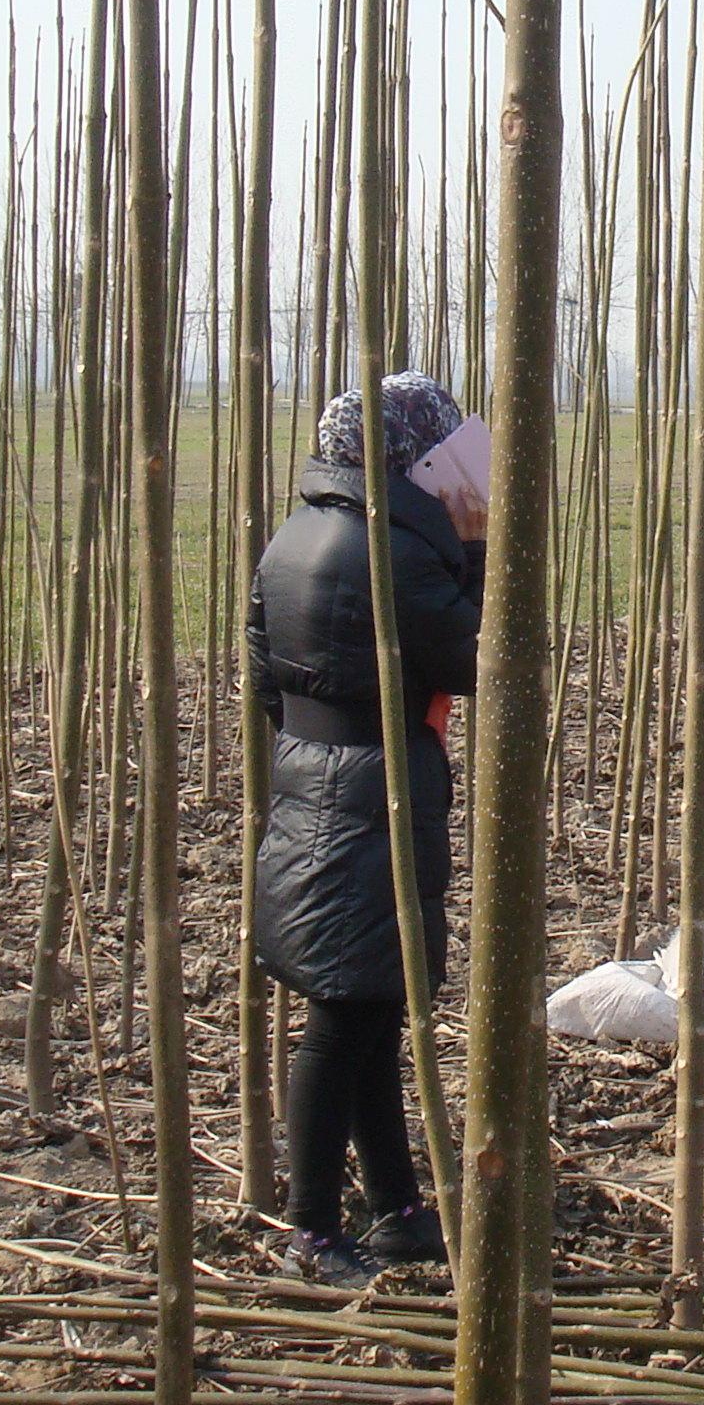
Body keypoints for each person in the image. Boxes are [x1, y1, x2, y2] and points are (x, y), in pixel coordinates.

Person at [248, 372, 486, 1284]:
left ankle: (396, 1209)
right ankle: (310, 1230)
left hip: (315, 785)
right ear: (409, 460)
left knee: (374, 1007)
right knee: (343, 1023)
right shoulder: (394, 552)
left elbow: (264, 677)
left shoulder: (296, 534)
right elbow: (474, 657)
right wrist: (475, 547)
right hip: (369, 800)